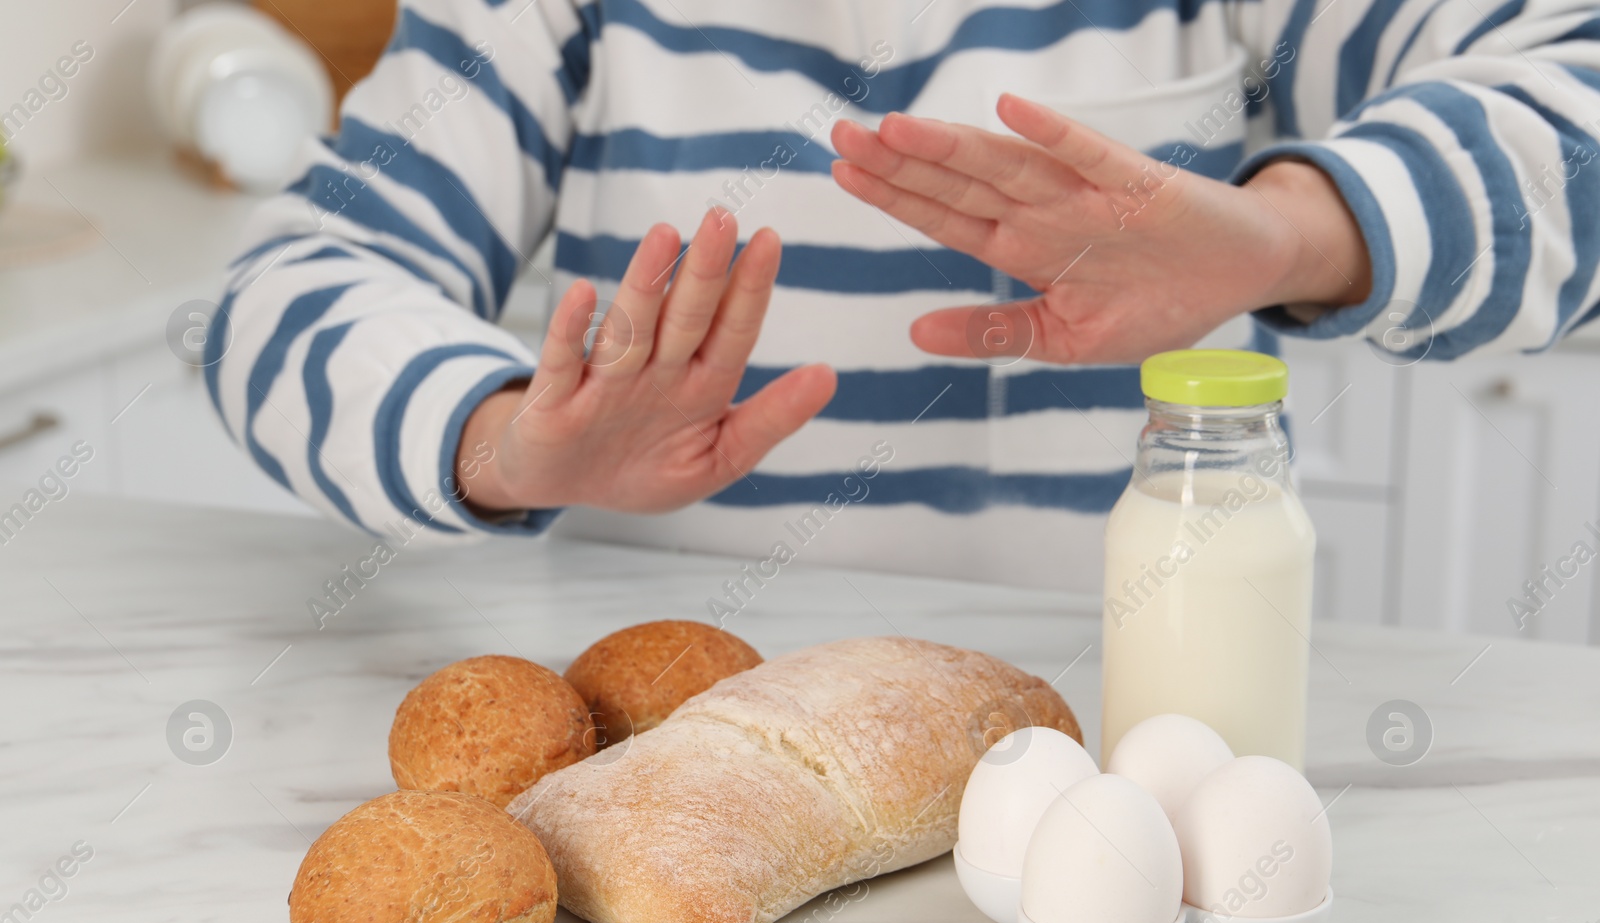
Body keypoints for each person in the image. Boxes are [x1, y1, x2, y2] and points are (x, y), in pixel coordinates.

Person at [212, 0, 1600, 596]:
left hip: (1122, 761)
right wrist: (503, 441)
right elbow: (284, 288)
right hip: (657, 782)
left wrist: (1296, 233)